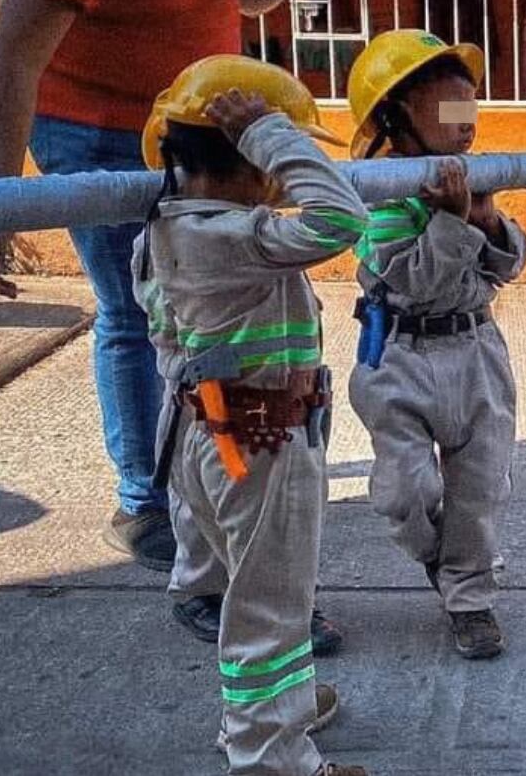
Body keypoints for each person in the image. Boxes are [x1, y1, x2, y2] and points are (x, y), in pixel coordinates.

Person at [0, 0, 317, 571]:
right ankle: (145, 503)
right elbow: (14, 54)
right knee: (142, 315)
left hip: (199, 134)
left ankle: (213, 471)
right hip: (103, 130)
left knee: (213, 315)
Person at [132, 56, 367, 776]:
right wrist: (273, 135)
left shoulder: (166, 231)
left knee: (259, 597)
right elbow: (342, 218)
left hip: (214, 440)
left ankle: (272, 716)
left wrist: (265, 138)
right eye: (268, 155)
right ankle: (270, 758)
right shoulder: (232, 238)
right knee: (269, 610)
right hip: (257, 446)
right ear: (252, 158)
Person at [343, 30, 526, 659]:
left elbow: (509, 264)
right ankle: (443, 557)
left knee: (480, 487)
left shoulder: (468, 184)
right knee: (405, 493)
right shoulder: (377, 195)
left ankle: (469, 597)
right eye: (449, 112)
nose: (467, 127)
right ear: (397, 114)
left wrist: (485, 219)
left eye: (470, 111)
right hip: (399, 357)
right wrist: (453, 221)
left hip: (475, 353)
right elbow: (418, 281)